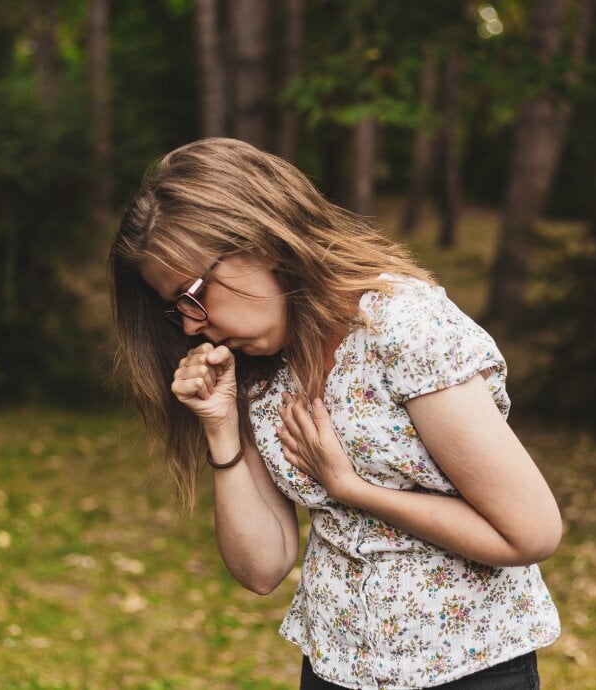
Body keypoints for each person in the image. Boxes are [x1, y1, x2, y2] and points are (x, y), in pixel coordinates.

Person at [109, 138, 562, 690]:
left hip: (469, 669)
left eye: (193, 295)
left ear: (263, 243)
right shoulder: (259, 371)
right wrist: (221, 423)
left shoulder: (401, 327)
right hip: (334, 667)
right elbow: (261, 569)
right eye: (177, 307)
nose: (188, 326)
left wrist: (352, 488)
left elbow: (531, 534)